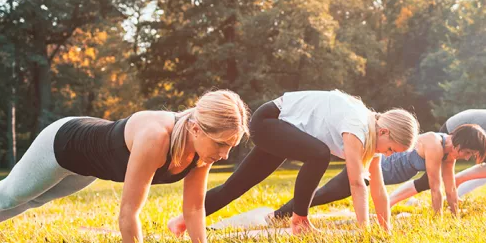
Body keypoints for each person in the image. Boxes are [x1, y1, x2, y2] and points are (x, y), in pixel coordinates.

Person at [0, 90, 250, 243]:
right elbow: (129, 212)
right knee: (11, 194)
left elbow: (194, 209)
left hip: (88, 168)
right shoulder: (157, 137)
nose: (224, 155)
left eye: (231, 147)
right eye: (222, 145)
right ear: (197, 128)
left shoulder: (202, 151)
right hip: (65, 141)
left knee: (32, 201)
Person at [167, 90, 419, 235]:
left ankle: (180, 222)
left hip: (281, 128)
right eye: (389, 150)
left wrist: (385, 231)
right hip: (269, 121)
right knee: (318, 154)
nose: (386, 155)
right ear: (384, 131)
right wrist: (365, 232)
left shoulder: (372, 137)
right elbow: (357, 184)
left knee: (236, 186)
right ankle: (300, 220)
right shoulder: (358, 127)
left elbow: (378, 189)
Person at [272, 124, 486, 217]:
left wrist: (455, 217)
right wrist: (439, 219)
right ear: (460, 143)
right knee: (326, 194)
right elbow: (435, 188)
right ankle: (280, 214)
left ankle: (286, 213)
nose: (468, 158)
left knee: (327, 194)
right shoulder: (435, 144)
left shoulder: (449, 153)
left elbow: (450, 189)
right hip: (373, 168)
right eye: (469, 152)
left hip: (383, 177)